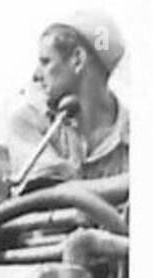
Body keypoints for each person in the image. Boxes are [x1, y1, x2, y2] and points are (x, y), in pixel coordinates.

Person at [8, 11, 128, 189]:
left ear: (78, 60)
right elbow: (51, 193)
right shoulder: (29, 121)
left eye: (45, 61)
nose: (36, 75)